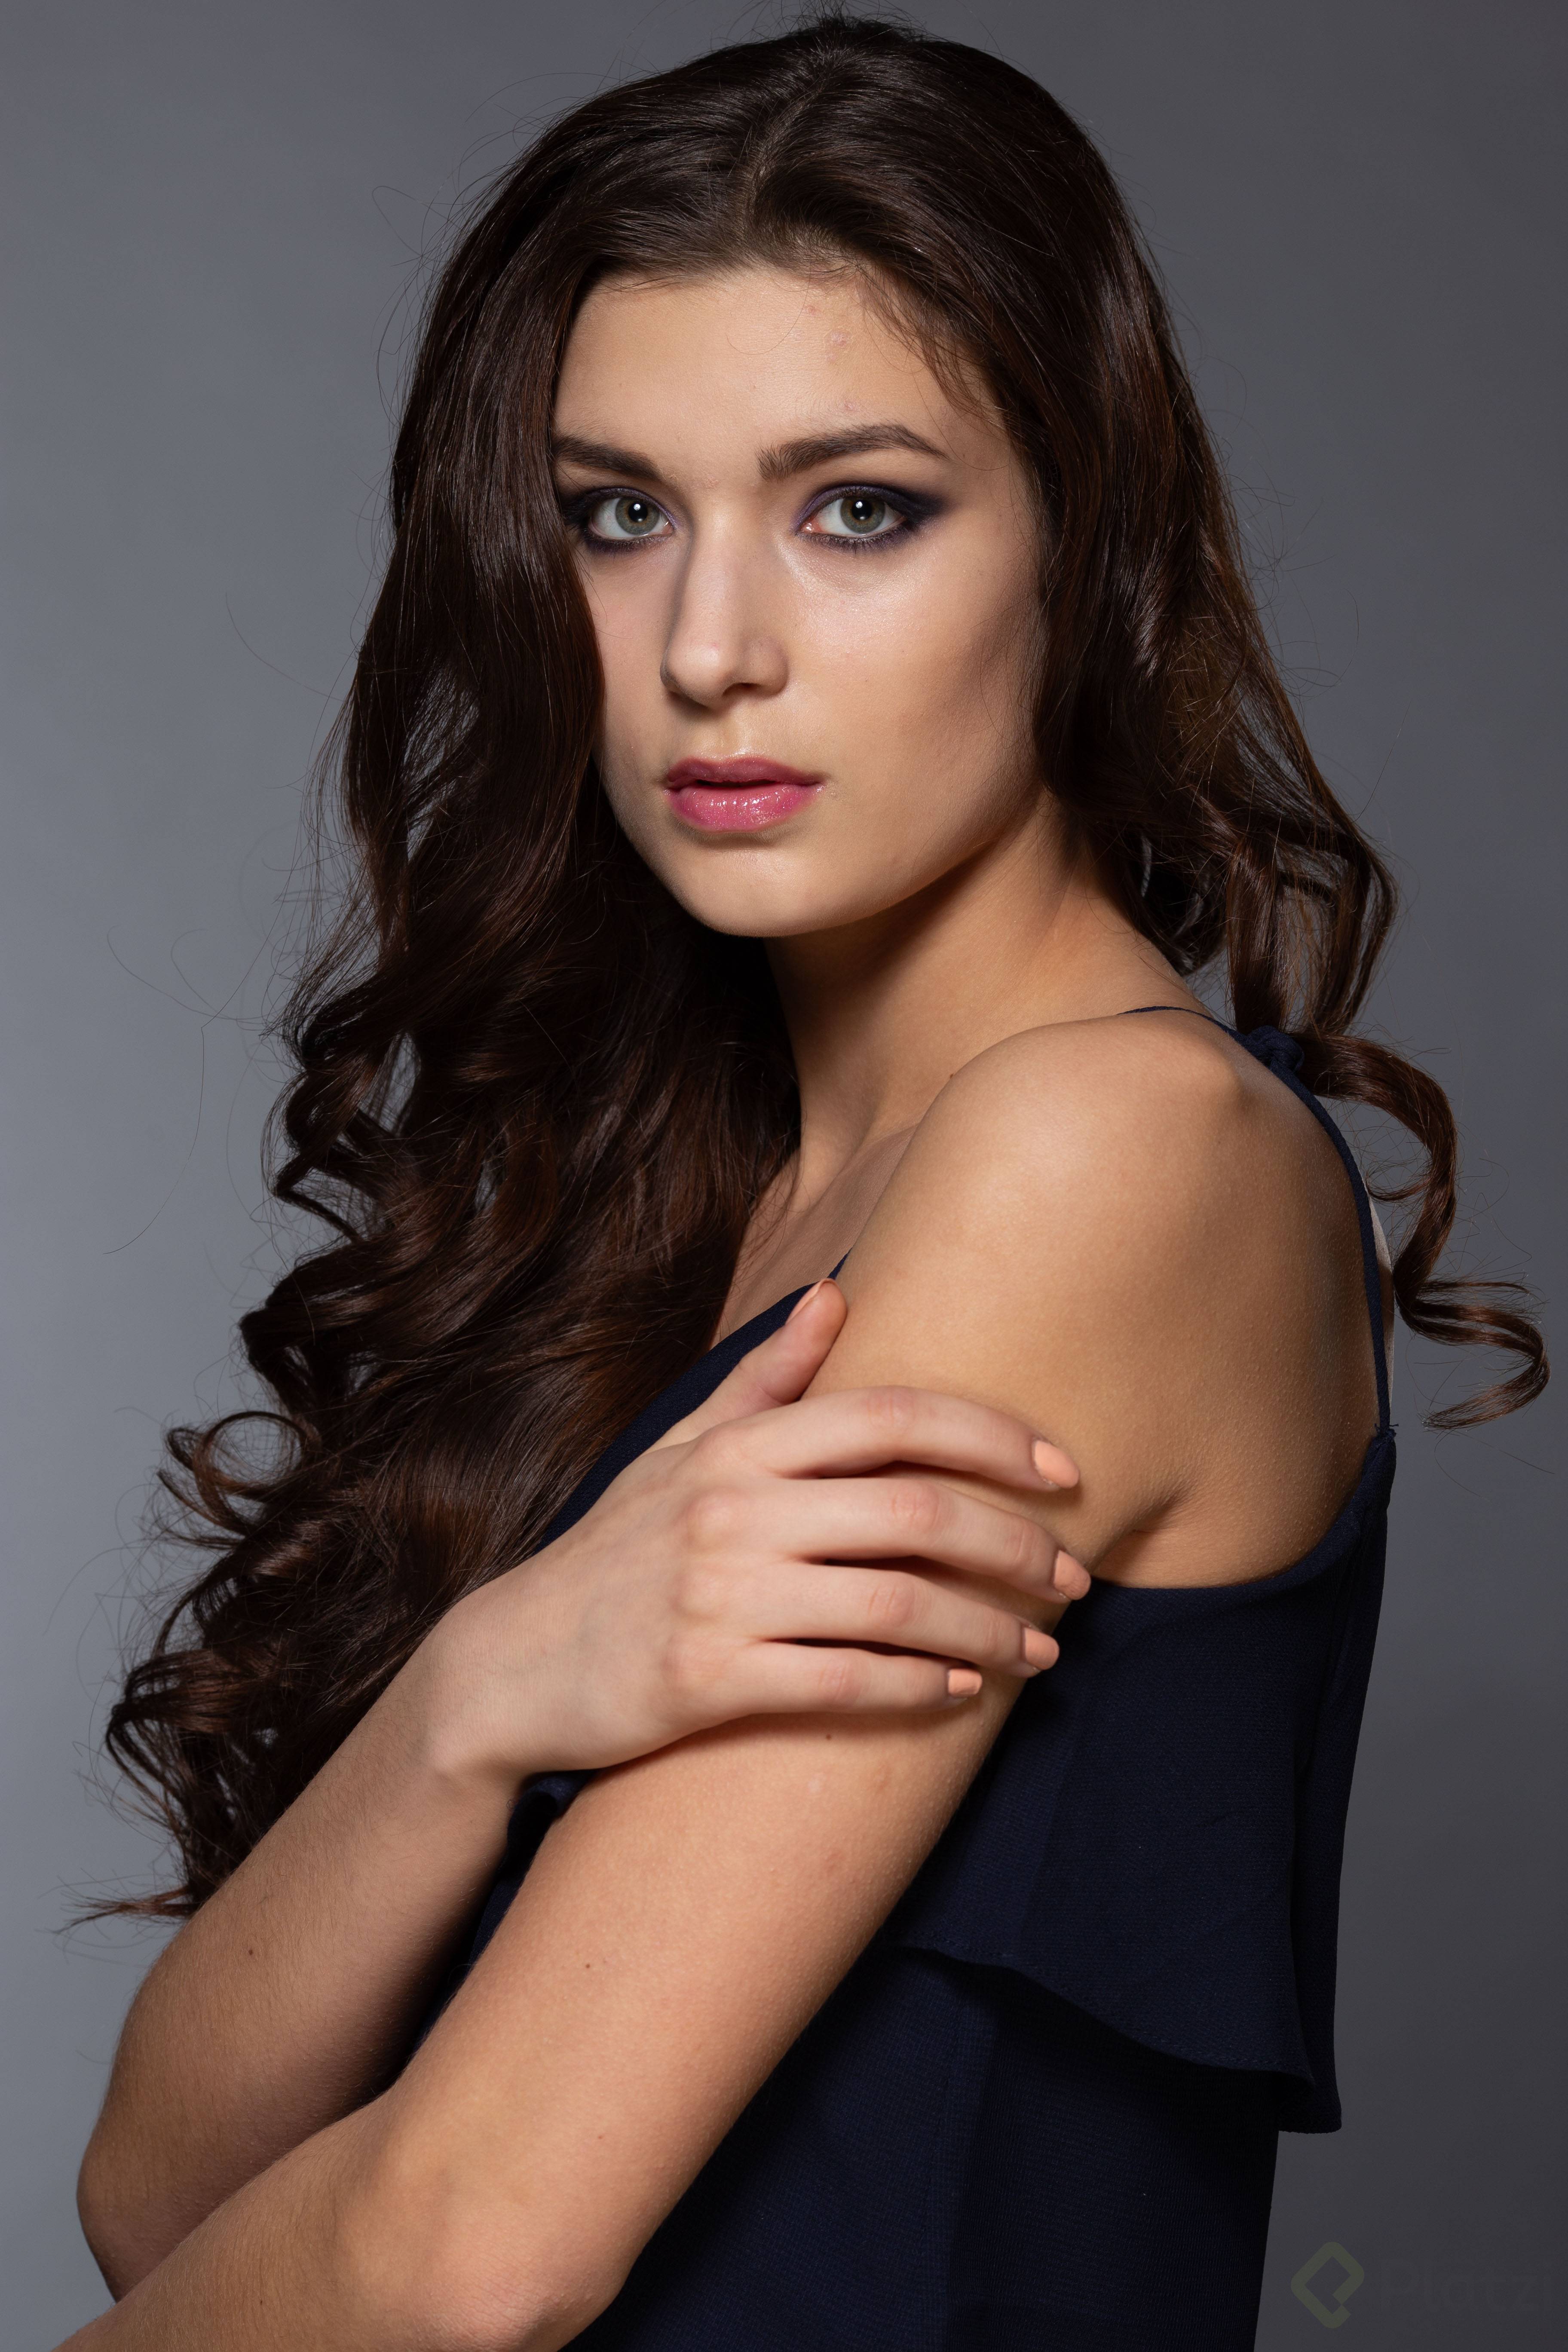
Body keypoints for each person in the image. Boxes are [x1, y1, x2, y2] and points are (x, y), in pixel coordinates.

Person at [64, 16, 1545, 2350]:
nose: (709, 652)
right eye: (617, 514)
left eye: (859, 509)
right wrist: (481, 1686)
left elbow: (466, 2254)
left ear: (1086, 543)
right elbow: (156, 2203)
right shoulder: (708, 1205)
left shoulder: (1106, 1153)